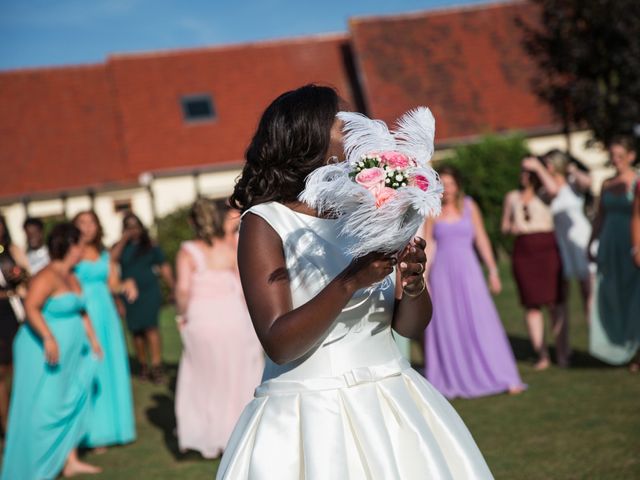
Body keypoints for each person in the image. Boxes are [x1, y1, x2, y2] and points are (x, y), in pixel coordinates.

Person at [216, 85, 493, 479]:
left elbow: (408, 327)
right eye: (345, 121)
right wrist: (351, 281)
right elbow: (279, 343)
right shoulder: (265, 223)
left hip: (394, 401)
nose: (362, 128)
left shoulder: (368, 212)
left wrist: (413, 285)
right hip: (312, 417)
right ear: (310, 135)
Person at [1, 223, 102, 479]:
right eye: (79, 244)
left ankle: (68, 459)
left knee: (69, 398)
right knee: (44, 406)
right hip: (41, 351)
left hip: (70, 353)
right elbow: (32, 308)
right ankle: (34, 463)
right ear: (70, 246)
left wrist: (93, 340)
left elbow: (81, 310)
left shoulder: (72, 275)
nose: (83, 249)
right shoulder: (45, 276)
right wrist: (48, 337)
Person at [423, 166, 525, 398]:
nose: (447, 189)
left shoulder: (470, 206)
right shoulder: (432, 209)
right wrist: (423, 278)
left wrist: (493, 270)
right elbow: (429, 244)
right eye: (443, 184)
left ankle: (503, 375)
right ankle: (453, 376)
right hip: (442, 275)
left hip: (469, 273)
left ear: (458, 185)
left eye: (451, 184)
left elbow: (482, 239)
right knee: (448, 324)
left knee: (482, 321)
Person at [175, 198, 263, 458]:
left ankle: (209, 434)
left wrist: (181, 314)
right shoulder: (228, 247)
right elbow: (243, 286)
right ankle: (237, 431)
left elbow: (182, 290)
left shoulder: (188, 251)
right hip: (232, 315)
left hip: (202, 318)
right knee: (237, 373)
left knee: (205, 377)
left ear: (193, 222)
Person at [73, 210, 136, 449]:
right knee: (91, 368)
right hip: (83, 314)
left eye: (91, 222)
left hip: (107, 314)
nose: (87, 227)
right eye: (82, 222)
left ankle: (115, 429)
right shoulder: (73, 253)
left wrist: (126, 284)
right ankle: (92, 432)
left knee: (111, 367)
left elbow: (112, 284)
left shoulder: (103, 253)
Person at [501, 157, 568, 370]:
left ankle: (562, 352)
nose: (524, 175)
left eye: (528, 172)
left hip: (547, 250)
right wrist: (512, 228)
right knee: (531, 306)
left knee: (555, 304)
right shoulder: (512, 197)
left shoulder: (545, 194)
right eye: (522, 171)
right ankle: (542, 354)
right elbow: (504, 226)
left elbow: (555, 190)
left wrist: (539, 167)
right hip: (524, 251)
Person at [587, 136, 640, 369]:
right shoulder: (607, 183)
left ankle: (635, 348)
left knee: (634, 297)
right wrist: (591, 242)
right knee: (611, 296)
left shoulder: (637, 182)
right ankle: (615, 346)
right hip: (610, 245)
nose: (615, 160)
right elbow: (600, 217)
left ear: (631, 156)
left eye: (620, 155)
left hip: (632, 245)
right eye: (612, 155)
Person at [522, 151, 593, 322]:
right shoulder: (545, 190)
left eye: (549, 163)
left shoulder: (572, 183)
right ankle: (564, 343)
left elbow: (588, 182)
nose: (547, 167)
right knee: (561, 295)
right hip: (560, 242)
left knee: (588, 290)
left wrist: (572, 169)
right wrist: (539, 169)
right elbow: (553, 190)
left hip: (580, 238)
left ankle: (594, 334)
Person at [111, 212, 174, 383]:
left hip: (149, 292)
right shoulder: (120, 247)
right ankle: (143, 364)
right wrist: (124, 240)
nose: (133, 230)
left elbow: (163, 266)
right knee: (136, 331)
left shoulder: (150, 245)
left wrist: (172, 286)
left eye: (135, 226)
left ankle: (156, 365)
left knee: (151, 328)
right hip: (129, 295)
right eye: (129, 227)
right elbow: (111, 260)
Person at [0, 215, 29, 438]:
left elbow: (28, 273)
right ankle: (7, 424)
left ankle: (24, 417)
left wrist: (19, 274)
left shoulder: (11, 250)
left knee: (20, 365)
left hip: (13, 309)